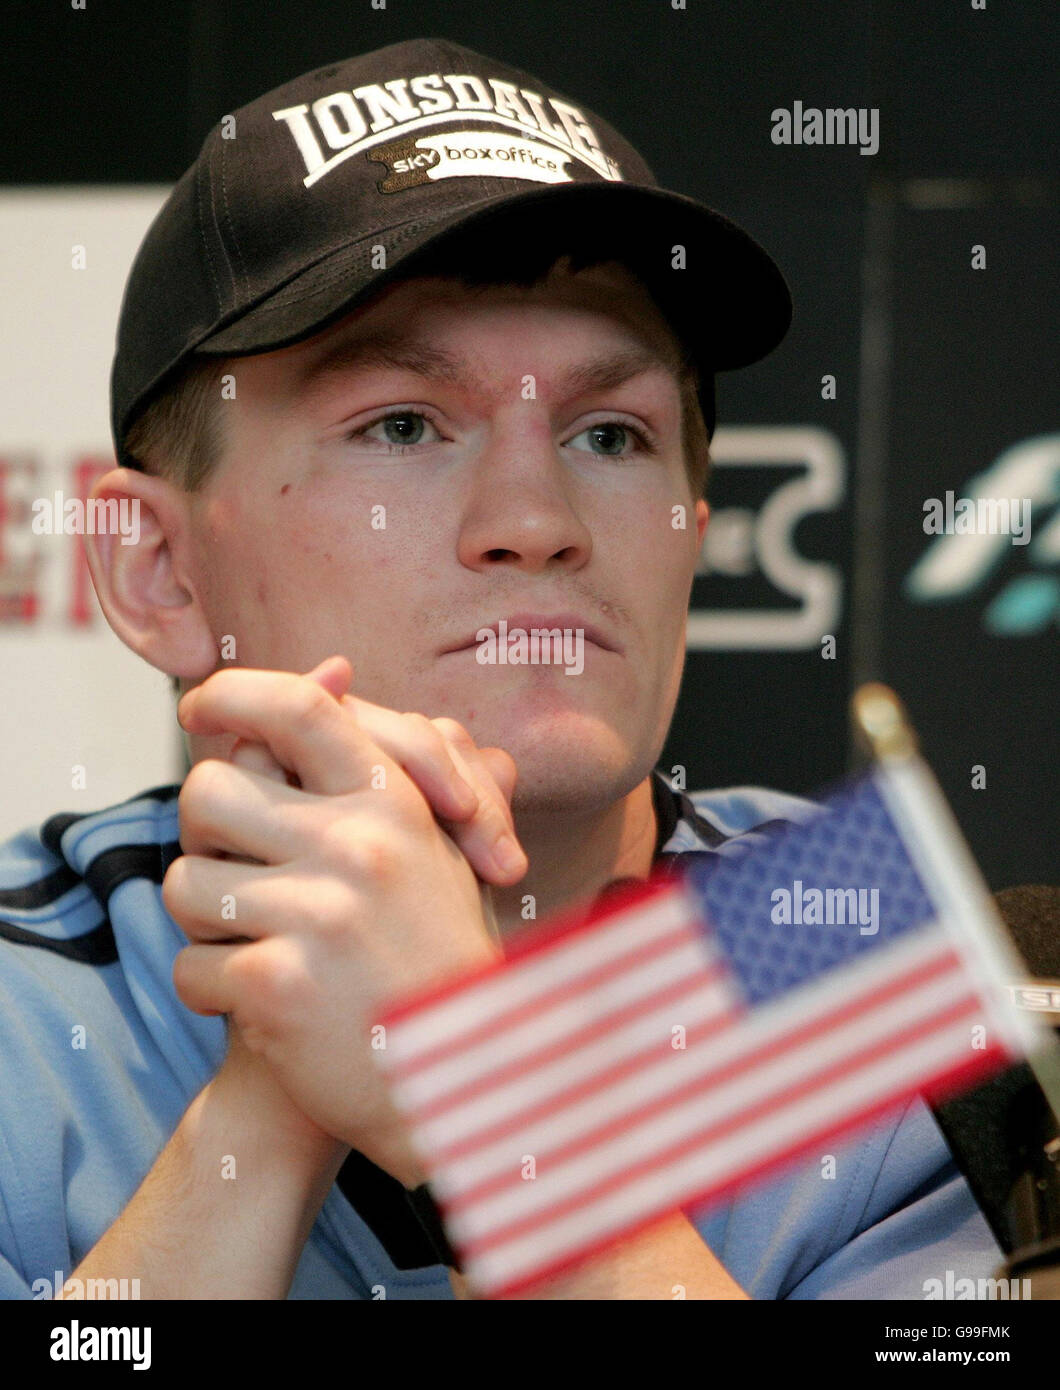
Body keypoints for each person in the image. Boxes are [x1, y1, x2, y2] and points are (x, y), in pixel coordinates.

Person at [0, 37, 1003, 1300]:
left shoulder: (875, 944)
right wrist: (272, 1102)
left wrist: (484, 1090)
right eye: (404, 425)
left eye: (608, 432)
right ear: (158, 569)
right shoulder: (28, 1004)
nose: (536, 516)